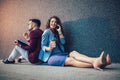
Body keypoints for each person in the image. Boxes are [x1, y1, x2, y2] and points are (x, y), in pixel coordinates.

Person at [39, 16, 111, 71]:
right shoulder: (47, 32)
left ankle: (98, 61)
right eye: (52, 21)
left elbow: (63, 42)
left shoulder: (57, 32)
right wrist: (49, 48)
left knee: (74, 53)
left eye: (55, 22)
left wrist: (60, 32)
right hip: (51, 57)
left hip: (60, 53)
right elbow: (42, 46)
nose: (53, 23)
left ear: (57, 24)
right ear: (49, 22)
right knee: (72, 60)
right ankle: (97, 62)